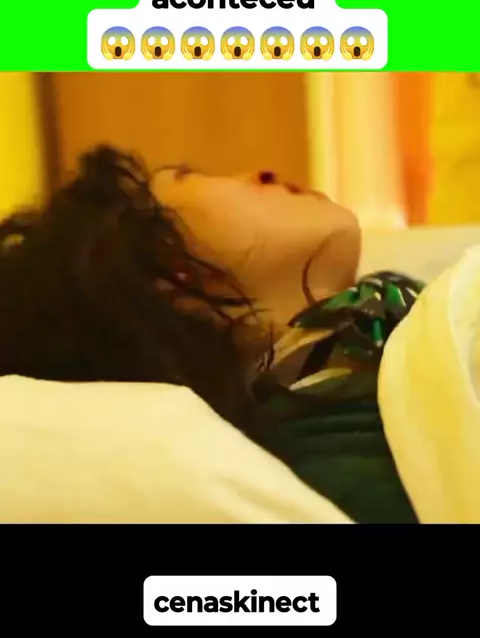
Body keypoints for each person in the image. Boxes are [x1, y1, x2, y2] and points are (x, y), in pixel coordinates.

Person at [0, 146, 421, 523]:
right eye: (191, 177)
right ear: (168, 274)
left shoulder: (387, 318)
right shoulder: (338, 443)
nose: (262, 172)